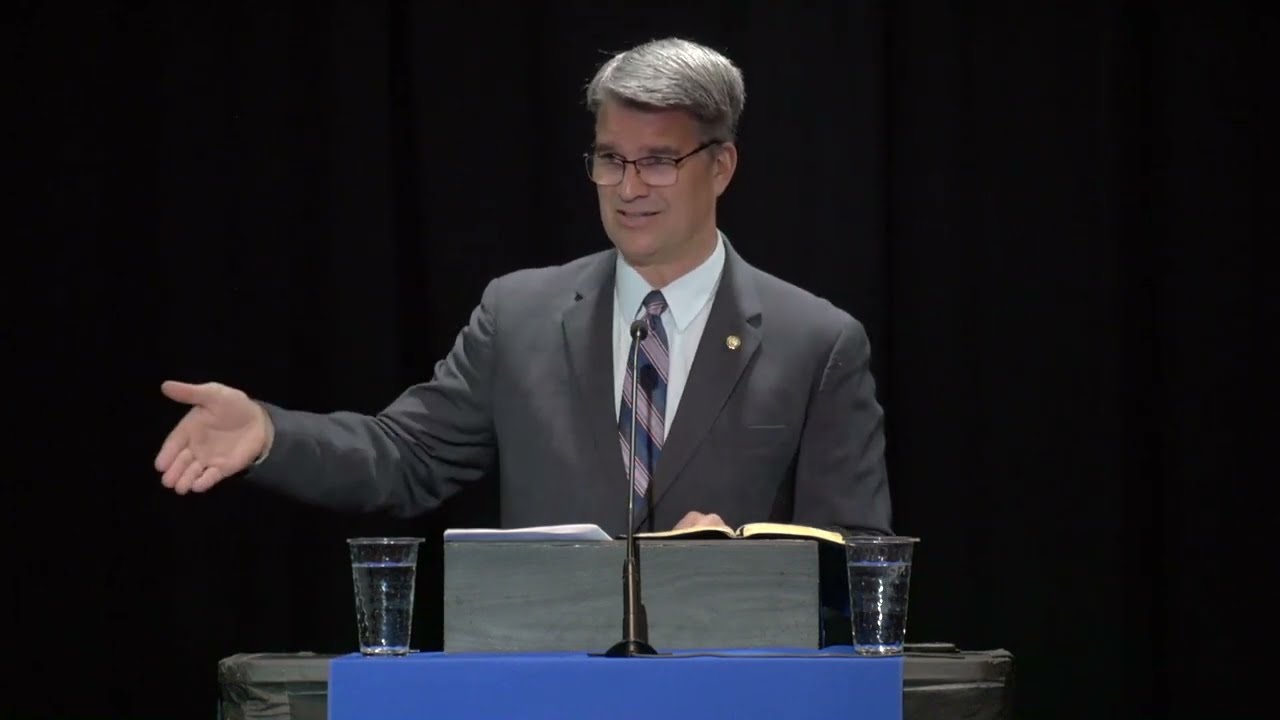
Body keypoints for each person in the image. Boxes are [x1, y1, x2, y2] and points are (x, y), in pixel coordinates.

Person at [154, 37, 892, 538]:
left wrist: (750, 562)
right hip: (545, 685)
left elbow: (859, 555)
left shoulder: (815, 343)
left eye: (658, 162)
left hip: (730, 691)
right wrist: (270, 434)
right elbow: (404, 456)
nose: (629, 187)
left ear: (721, 166)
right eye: (610, 159)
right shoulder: (520, 316)